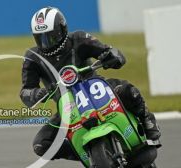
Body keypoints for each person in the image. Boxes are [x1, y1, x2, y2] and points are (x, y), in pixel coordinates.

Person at [20, 7, 161, 160]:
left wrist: (111, 56)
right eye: (40, 38)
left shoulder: (79, 38)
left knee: (127, 90)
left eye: (51, 37)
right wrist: (36, 94)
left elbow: (109, 51)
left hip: (94, 87)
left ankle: (147, 119)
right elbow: (25, 91)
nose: (46, 43)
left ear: (62, 29)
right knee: (41, 144)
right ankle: (85, 153)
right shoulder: (32, 57)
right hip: (68, 106)